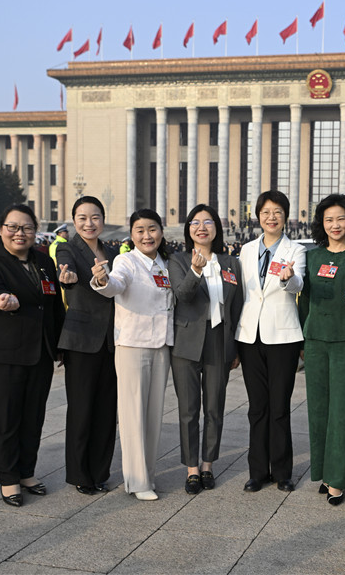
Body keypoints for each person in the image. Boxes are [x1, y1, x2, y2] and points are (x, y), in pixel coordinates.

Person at [0, 204, 65, 507]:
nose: (19, 233)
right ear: (1, 230)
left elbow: (52, 306)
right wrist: (1, 299)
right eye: (12, 227)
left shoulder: (43, 262)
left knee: (33, 417)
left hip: (40, 352)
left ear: (35, 231)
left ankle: (27, 471)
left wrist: (60, 344)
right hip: (6, 354)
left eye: (26, 227)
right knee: (6, 419)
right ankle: (8, 478)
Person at [91, 209, 174, 501]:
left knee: (153, 413)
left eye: (152, 229)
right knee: (132, 415)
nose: (147, 236)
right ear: (132, 235)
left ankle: (147, 475)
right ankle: (137, 482)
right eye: (140, 230)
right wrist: (102, 280)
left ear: (161, 232)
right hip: (133, 344)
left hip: (161, 345)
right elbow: (115, 284)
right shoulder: (125, 261)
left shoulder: (165, 263)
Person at [298, 194, 345, 506]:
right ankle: (325, 473)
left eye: (340, 219)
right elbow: (304, 299)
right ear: (321, 224)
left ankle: (339, 479)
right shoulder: (312, 257)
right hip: (315, 341)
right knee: (318, 411)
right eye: (329, 220)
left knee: (342, 413)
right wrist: (303, 336)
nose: (335, 225)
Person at [168, 204, 244, 495]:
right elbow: (182, 296)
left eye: (208, 222)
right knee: (189, 409)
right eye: (195, 222)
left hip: (218, 341)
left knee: (215, 408)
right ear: (188, 230)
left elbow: (235, 306)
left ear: (216, 228)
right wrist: (195, 271)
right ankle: (191, 469)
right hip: (186, 344)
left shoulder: (230, 263)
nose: (202, 227)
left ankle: (208, 464)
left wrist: (234, 346)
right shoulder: (178, 260)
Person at [235, 191, 306, 493]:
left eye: (277, 212)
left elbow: (298, 284)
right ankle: (256, 471)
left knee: (279, 406)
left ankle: (282, 471)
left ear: (285, 216)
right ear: (258, 216)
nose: (271, 217)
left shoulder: (296, 250)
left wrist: (287, 278)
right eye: (265, 212)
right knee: (257, 407)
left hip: (283, 337)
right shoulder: (247, 250)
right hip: (250, 336)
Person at [55, 196, 118, 495]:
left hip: (112, 340)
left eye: (94, 217)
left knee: (106, 410)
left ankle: (100, 471)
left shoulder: (114, 250)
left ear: (103, 220)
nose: (88, 223)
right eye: (82, 218)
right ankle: (80, 474)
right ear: (73, 221)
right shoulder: (68, 247)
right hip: (81, 340)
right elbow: (65, 271)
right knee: (81, 409)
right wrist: (66, 278)